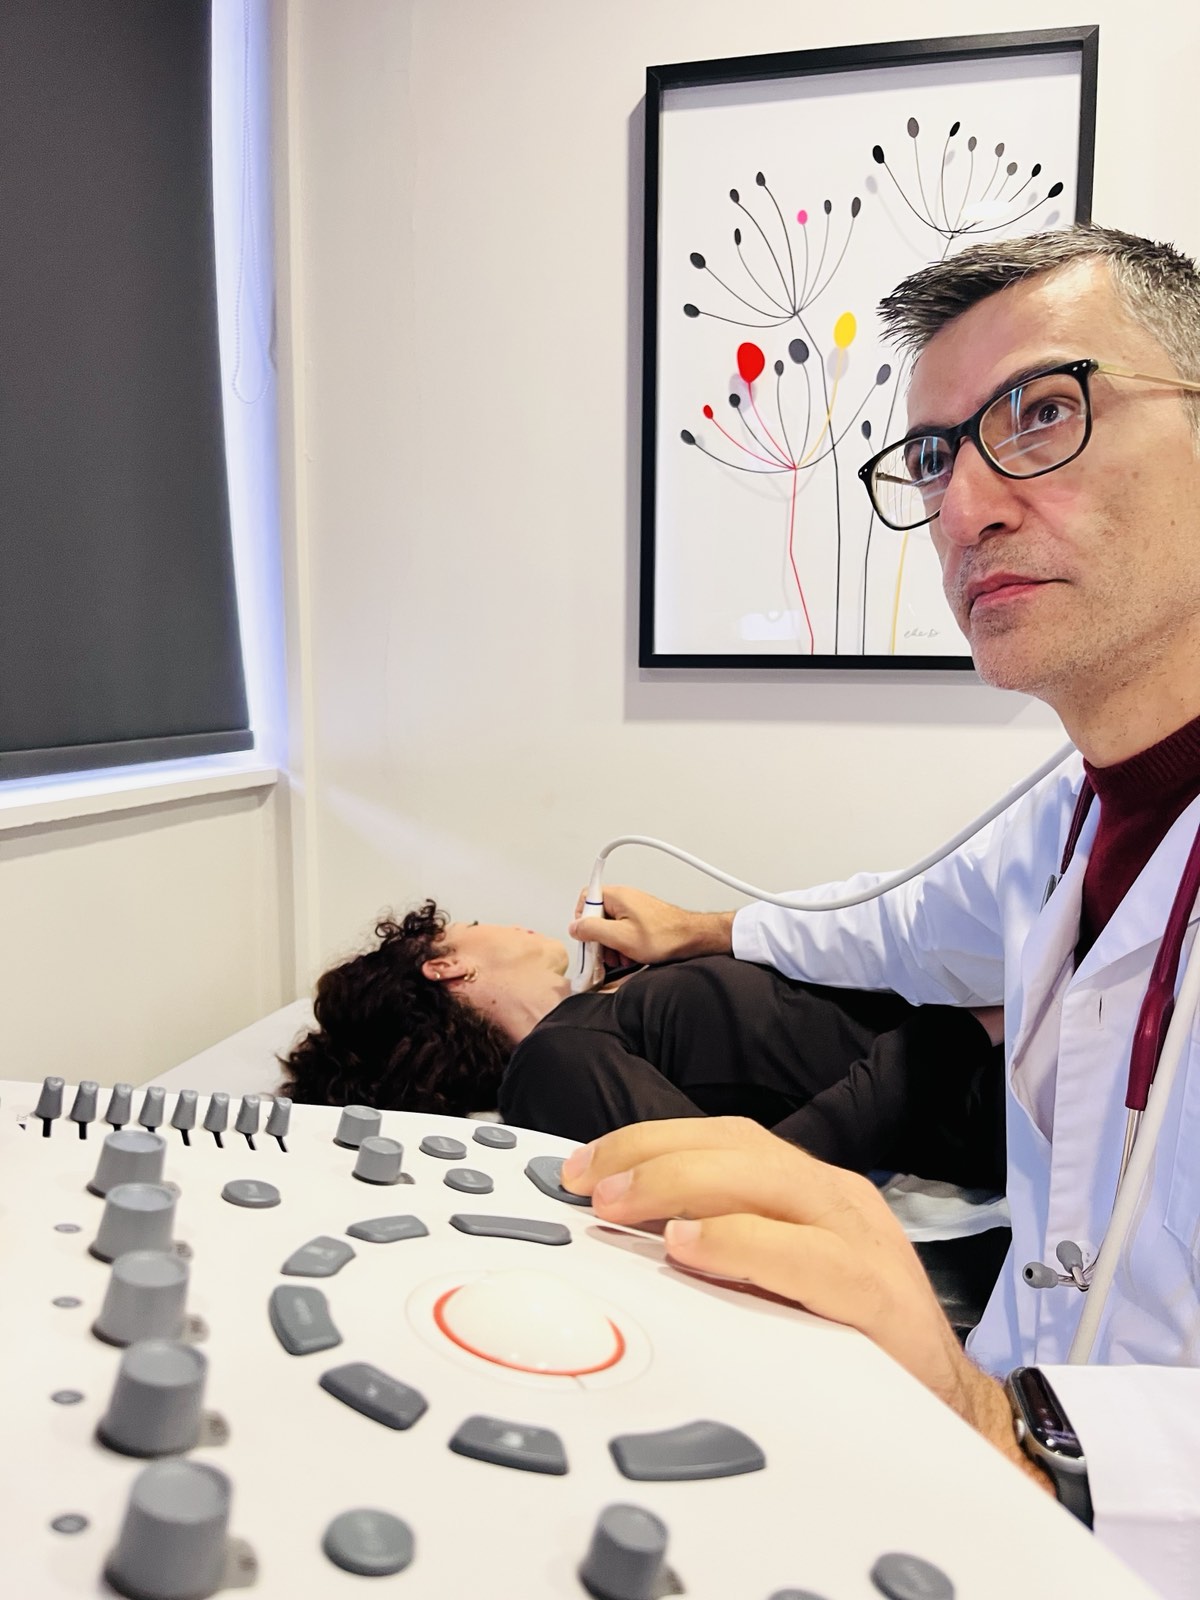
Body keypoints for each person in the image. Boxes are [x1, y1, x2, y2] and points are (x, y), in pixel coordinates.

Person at [567, 223, 1200, 1599]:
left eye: (1041, 413)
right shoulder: (1067, 818)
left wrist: (1002, 1430)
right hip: (999, 1498)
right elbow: (890, 922)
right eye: (931, 456)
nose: (964, 507)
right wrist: (702, 929)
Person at [279, 900, 1005, 1190]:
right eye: (469, 925)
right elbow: (748, 1184)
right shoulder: (548, 1065)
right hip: (992, 1080)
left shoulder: (604, 1007)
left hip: (995, 1020)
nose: (504, 921)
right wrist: (959, 1029)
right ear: (445, 966)